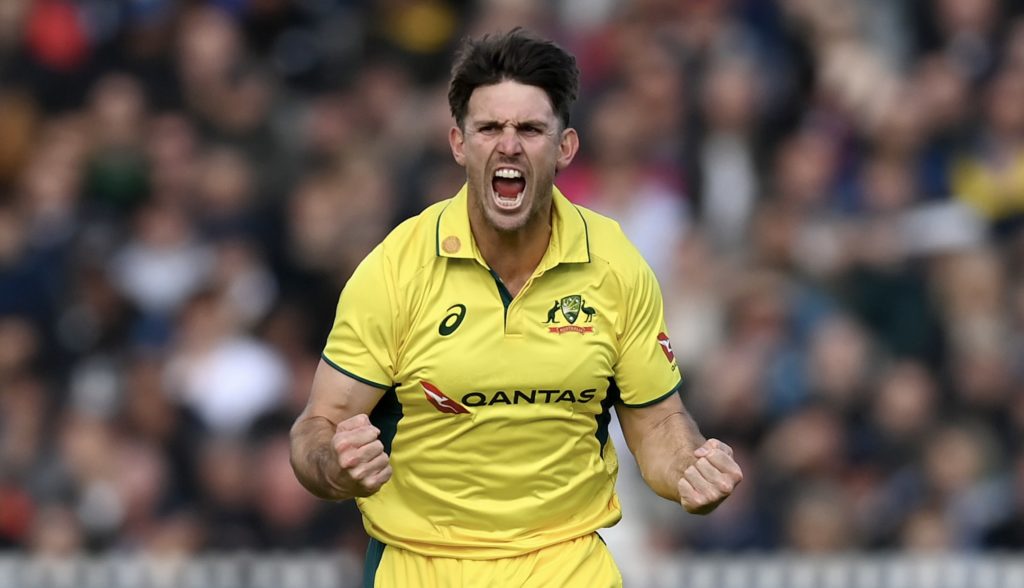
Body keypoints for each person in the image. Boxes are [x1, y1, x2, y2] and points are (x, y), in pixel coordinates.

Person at [289, 28, 743, 588]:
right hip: (421, 565)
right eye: (489, 128)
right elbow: (317, 427)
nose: (509, 145)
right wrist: (336, 465)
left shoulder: (615, 263)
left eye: (530, 128)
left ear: (565, 148)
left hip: (565, 563)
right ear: (459, 143)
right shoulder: (396, 267)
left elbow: (657, 426)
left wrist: (689, 468)